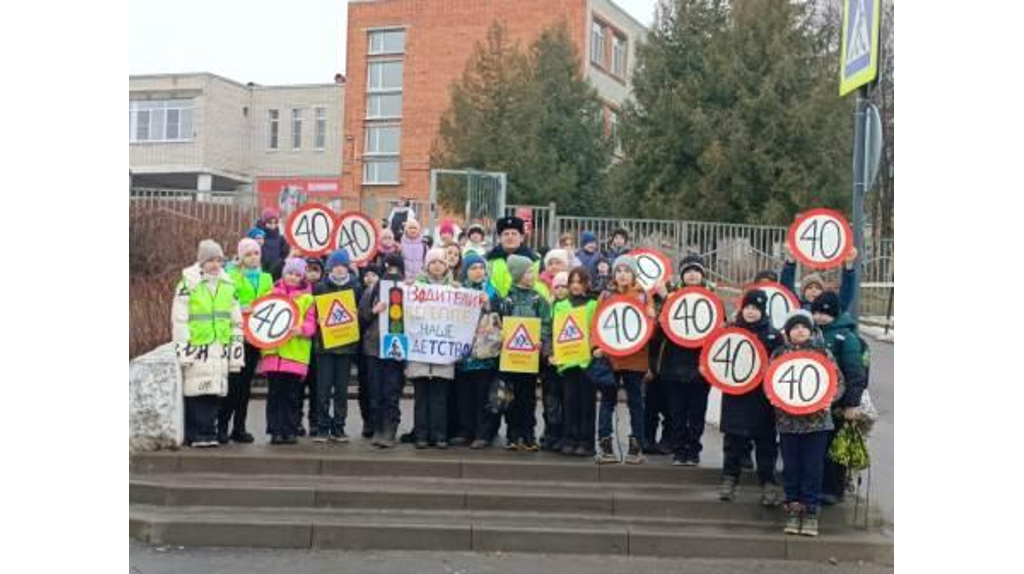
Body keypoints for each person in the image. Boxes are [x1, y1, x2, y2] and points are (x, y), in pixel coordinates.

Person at [774, 310, 845, 538]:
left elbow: (838, 383)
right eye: (795, 327)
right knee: (792, 468)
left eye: (804, 327)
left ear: (811, 330)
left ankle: (812, 512)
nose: (800, 330)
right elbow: (771, 385)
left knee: (813, 468)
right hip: (787, 422)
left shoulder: (822, 353)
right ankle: (794, 509)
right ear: (788, 332)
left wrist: (827, 400)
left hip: (817, 423)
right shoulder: (779, 354)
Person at [172, 240, 244, 447]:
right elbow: (180, 321)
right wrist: (184, 351)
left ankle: (208, 433)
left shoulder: (228, 286)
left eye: (218, 260)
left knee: (214, 393)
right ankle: (197, 435)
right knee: (197, 392)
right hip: (198, 348)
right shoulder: (187, 285)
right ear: (201, 262)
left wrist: (236, 355)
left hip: (220, 348)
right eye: (210, 260)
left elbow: (236, 322)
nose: (214, 264)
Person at [718, 289, 784, 506]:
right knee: (733, 441)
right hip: (735, 395)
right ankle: (729, 479)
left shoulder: (774, 336)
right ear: (742, 308)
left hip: (762, 399)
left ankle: (768, 483)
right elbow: (717, 358)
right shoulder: (730, 331)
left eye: (756, 308)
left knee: (766, 443)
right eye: (748, 307)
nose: (751, 312)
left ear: (763, 311)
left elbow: (780, 366)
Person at [650, 254, 712, 465]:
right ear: (682, 275)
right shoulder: (671, 298)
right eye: (688, 271)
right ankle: (678, 449)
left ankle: (693, 449)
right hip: (673, 364)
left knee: (696, 412)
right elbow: (659, 331)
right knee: (676, 412)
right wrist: (666, 302)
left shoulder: (711, 300)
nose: (693, 275)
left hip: (701, 367)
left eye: (697, 271)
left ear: (702, 275)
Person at [811, 291, 869, 505]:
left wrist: (852, 404)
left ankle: (833, 489)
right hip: (815, 402)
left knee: (835, 449)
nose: (820, 317)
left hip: (838, 403)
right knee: (817, 447)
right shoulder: (810, 332)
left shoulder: (847, 337)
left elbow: (855, 373)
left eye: (825, 313)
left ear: (834, 313)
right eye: (816, 312)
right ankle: (816, 486)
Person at [595, 254, 654, 465]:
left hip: (635, 358)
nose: (622, 275)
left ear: (633, 274)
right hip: (610, 358)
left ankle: (636, 445)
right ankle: (605, 445)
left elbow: (650, 331)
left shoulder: (643, 296)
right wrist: (597, 346)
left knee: (636, 402)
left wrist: (650, 317)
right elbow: (597, 323)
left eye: (627, 271)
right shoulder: (605, 296)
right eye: (618, 270)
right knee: (607, 401)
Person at [218, 237, 272, 444]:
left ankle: (239, 427)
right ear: (241, 257)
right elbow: (224, 303)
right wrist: (241, 308)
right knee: (234, 384)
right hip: (237, 337)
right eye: (248, 254)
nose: (253, 257)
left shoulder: (266, 278)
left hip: (256, 338)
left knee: (246, 385)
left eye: (256, 253)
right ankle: (222, 426)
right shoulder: (230, 276)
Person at [258, 257, 317, 445]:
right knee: (275, 395)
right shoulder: (271, 294)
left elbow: (311, 323)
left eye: (297, 274)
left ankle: (290, 430)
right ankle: (275, 430)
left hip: (296, 355)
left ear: (302, 277)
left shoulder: (308, 299)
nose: (293, 277)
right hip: (274, 354)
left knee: (293, 396)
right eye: (290, 273)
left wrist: (302, 330)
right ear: (284, 274)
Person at [499, 254, 552, 452]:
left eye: (533, 272)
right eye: (528, 272)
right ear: (518, 274)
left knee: (529, 397)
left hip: (530, 360)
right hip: (511, 359)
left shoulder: (539, 299)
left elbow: (546, 323)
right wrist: (503, 337)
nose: (532, 275)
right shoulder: (508, 299)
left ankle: (529, 435)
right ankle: (513, 435)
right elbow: (501, 324)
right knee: (511, 398)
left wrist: (541, 340)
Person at [408, 248, 460, 449]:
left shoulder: (455, 289)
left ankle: (439, 435)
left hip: (442, 355)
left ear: (446, 266)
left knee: (440, 398)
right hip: (420, 354)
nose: (437, 265)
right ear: (427, 265)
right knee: (421, 399)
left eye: (441, 262)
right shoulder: (415, 287)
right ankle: (421, 435)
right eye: (433, 262)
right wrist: (406, 288)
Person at [311, 250, 362, 443]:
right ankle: (323, 427)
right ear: (330, 268)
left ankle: (339, 427)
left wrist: (355, 315)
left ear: (348, 267)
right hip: (325, 347)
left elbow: (361, 314)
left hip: (346, 346)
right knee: (323, 390)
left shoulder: (356, 288)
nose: (340, 269)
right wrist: (317, 317)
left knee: (341, 391)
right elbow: (312, 312)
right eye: (336, 266)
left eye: (343, 265)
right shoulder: (320, 288)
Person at [454, 251, 502, 448]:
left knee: (483, 395)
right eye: (473, 268)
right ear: (466, 271)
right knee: (464, 396)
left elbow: (500, 319)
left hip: (485, 355)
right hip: (464, 355)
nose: (478, 271)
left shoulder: (492, 292)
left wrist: (488, 304)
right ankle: (466, 431)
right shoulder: (459, 291)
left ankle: (484, 433)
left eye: (481, 267)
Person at [359, 253, 406, 447]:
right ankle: (378, 427)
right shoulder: (371, 292)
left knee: (391, 390)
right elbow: (361, 319)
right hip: (373, 347)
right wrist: (374, 311)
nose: (392, 273)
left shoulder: (407, 290)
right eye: (389, 269)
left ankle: (390, 429)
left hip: (396, 348)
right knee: (375, 390)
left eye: (396, 269)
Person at [554, 267, 599, 457]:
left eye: (579, 282)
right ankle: (570, 438)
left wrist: (594, 347)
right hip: (567, 361)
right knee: (569, 402)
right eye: (572, 282)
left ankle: (586, 442)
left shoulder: (593, 305)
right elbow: (556, 331)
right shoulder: (560, 305)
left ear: (586, 284)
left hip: (587, 361)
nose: (575, 285)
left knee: (587, 403)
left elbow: (597, 330)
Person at [485, 216, 540, 297]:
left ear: (521, 238)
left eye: (514, 234)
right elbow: (487, 284)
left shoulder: (534, 260)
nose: (510, 237)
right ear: (500, 238)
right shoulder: (490, 260)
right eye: (506, 234)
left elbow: (537, 286)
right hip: (496, 306)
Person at [257, 208, 291, 280]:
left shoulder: (280, 238)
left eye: (275, 223)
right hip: (262, 272)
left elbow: (284, 254)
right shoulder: (258, 236)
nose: (273, 225)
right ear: (264, 223)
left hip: (277, 272)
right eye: (270, 223)